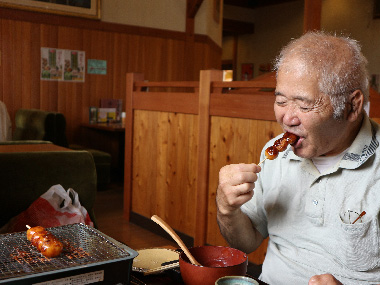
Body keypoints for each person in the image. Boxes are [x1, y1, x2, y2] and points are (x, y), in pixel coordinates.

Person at [216, 31, 380, 285]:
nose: (287, 118)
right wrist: (227, 210)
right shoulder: (274, 154)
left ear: (352, 106)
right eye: (281, 101)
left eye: (304, 106)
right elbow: (245, 242)